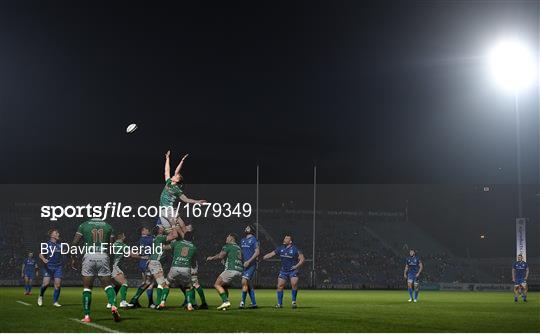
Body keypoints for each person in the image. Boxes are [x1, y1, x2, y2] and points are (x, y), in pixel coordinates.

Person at [71, 218, 120, 323]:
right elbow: (111, 247)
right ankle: (113, 306)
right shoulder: (108, 226)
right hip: (103, 255)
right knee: (108, 286)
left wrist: (73, 257)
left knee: (87, 288)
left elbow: (75, 242)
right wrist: (110, 261)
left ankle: (87, 316)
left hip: (89, 256)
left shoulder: (83, 225)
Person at [159, 151, 205, 230]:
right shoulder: (169, 182)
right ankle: (184, 233)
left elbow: (186, 199)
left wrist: (197, 202)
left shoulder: (177, 189)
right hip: (162, 210)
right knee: (169, 231)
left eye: (176, 175)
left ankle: (187, 235)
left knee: (178, 226)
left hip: (169, 209)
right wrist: (167, 158)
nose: (174, 174)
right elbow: (166, 171)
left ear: (177, 180)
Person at [263, 234, 305, 308]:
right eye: (284, 238)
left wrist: (296, 266)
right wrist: (264, 257)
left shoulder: (295, 249)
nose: (284, 239)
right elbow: (271, 254)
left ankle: (293, 302)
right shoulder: (280, 248)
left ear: (290, 241)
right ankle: (279, 304)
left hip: (293, 270)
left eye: (286, 238)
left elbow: (302, 259)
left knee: (294, 284)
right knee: (279, 286)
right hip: (283, 271)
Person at [206, 233, 243, 310]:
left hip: (231, 269)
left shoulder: (227, 246)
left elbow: (220, 256)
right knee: (224, 286)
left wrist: (211, 258)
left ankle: (226, 301)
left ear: (232, 238)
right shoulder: (238, 248)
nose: (226, 238)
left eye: (228, 237)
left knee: (217, 284)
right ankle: (225, 305)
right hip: (239, 270)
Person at [109, 232, 145, 308]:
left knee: (117, 285)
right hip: (114, 266)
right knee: (124, 283)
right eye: (124, 235)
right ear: (121, 237)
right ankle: (123, 302)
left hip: (107, 267)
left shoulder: (112, 245)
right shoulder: (122, 245)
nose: (125, 237)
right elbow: (131, 254)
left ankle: (110, 303)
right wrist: (142, 257)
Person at [165, 231, 198, 311]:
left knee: (166, 284)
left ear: (184, 237)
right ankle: (189, 305)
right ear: (192, 238)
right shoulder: (193, 247)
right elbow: (193, 262)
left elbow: (166, 248)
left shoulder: (177, 243)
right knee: (188, 287)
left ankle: (162, 302)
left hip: (175, 267)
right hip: (186, 268)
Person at [38, 228, 63, 307]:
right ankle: (41, 296)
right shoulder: (47, 244)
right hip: (48, 267)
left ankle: (55, 301)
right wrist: (43, 259)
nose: (58, 234)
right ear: (52, 235)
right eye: (56, 233)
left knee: (58, 285)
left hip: (58, 267)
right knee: (46, 284)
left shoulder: (60, 245)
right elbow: (40, 254)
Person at [239, 225, 259, 309]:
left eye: (247, 227)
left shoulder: (254, 240)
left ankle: (242, 302)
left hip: (251, 265)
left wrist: (249, 261)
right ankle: (254, 303)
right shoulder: (242, 240)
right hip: (244, 265)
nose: (245, 228)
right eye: (245, 227)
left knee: (244, 282)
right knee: (248, 284)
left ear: (251, 230)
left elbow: (257, 252)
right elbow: (241, 252)